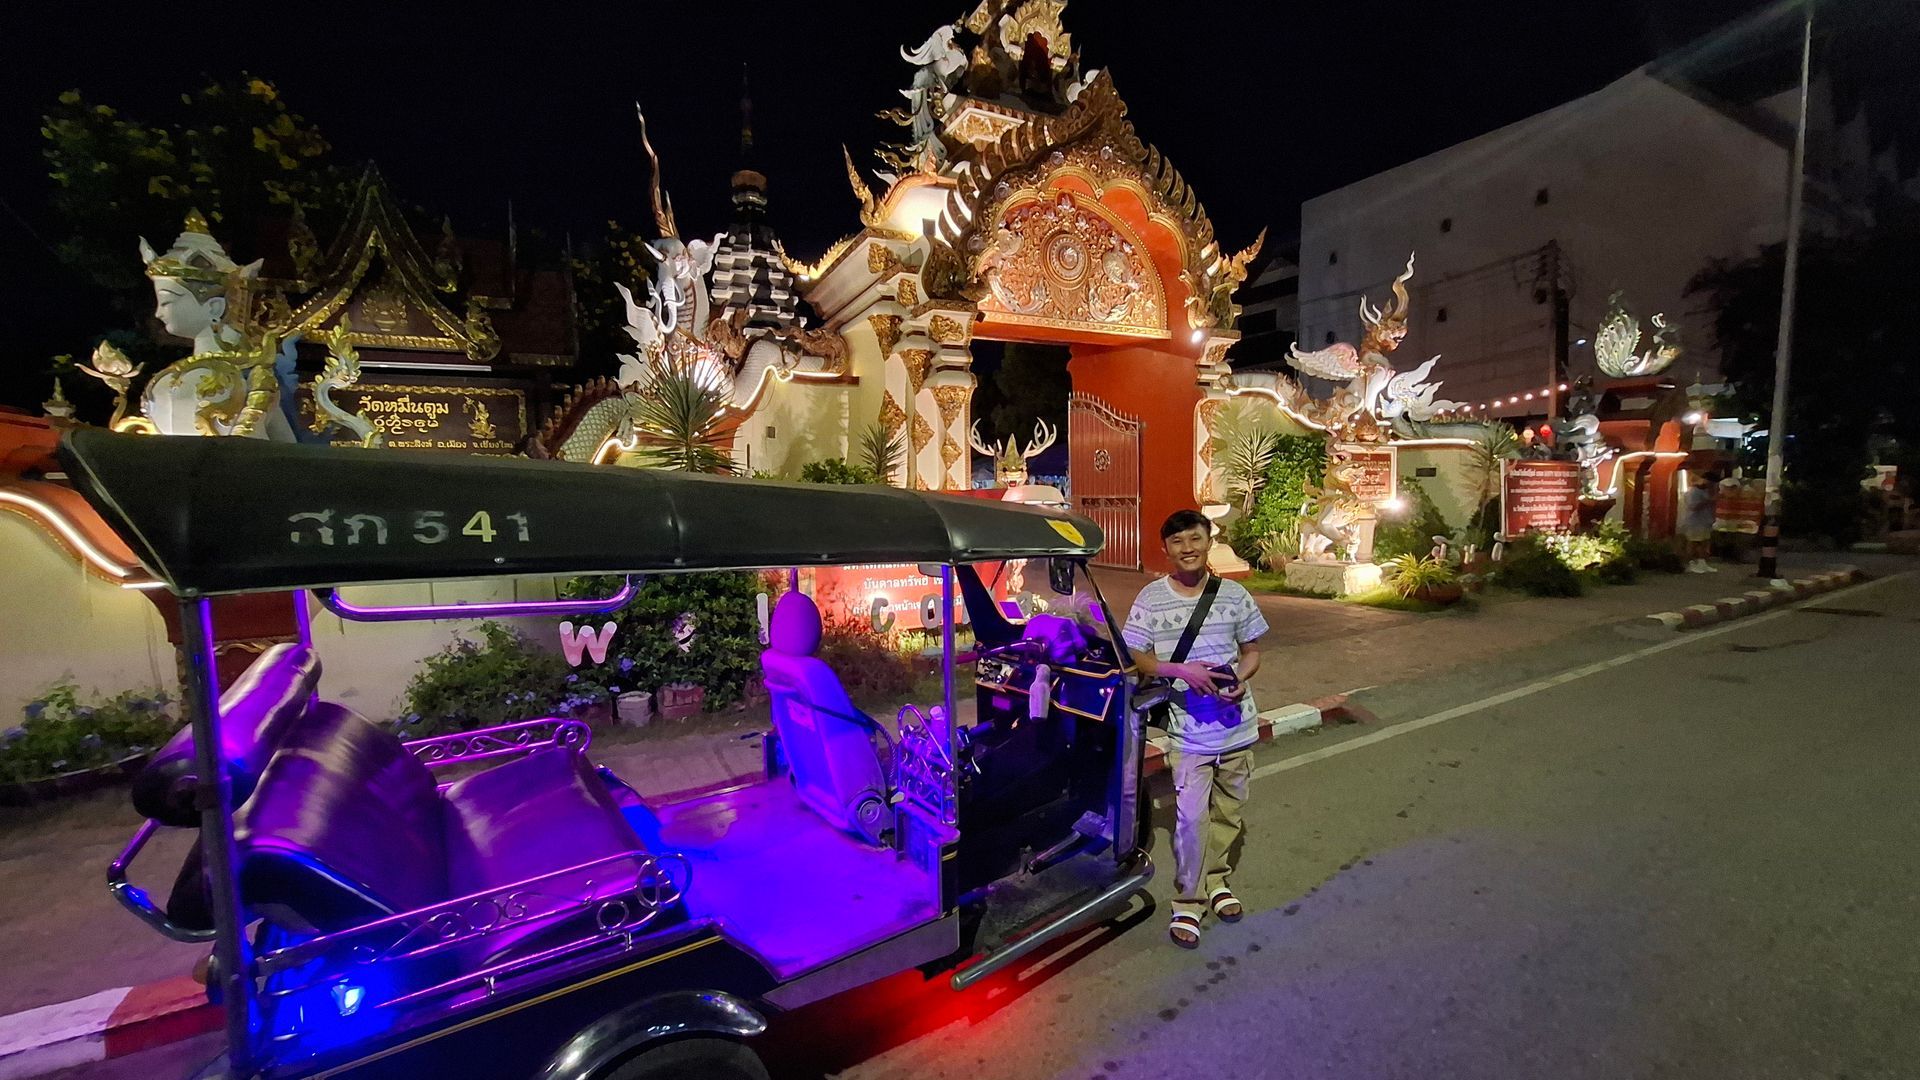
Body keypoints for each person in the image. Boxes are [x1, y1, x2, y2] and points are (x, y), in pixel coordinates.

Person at [1123, 509, 1269, 948]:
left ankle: (1217, 880)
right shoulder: (1151, 598)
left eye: (1195, 539)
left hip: (1237, 728)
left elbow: (1251, 652)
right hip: (1187, 732)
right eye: (1177, 542)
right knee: (1189, 819)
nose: (1187, 548)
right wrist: (1180, 671)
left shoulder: (1235, 596)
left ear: (1209, 541)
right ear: (1165, 549)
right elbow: (1138, 657)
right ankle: (1189, 902)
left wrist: (1239, 682)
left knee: (1228, 814)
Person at [1682, 472, 1722, 573]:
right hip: (1695, 522)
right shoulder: (1694, 491)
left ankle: (1702, 563)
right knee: (1693, 543)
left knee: (1704, 543)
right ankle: (1690, 564)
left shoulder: (1707, 491)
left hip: (1705, 521)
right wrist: (1709, 501)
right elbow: (1693, 507)